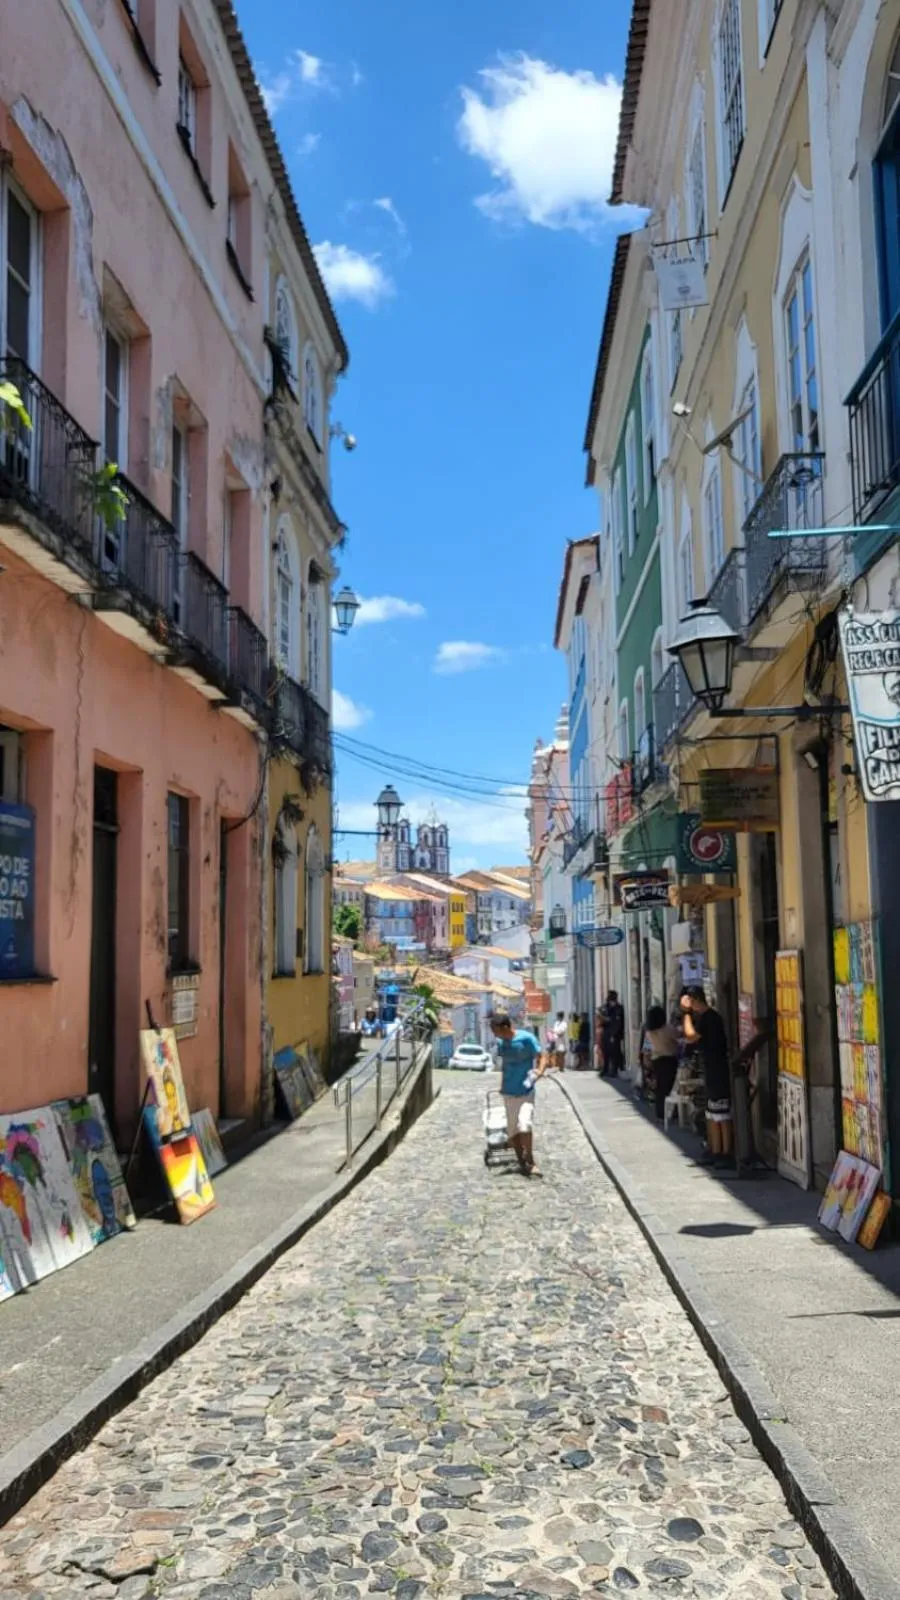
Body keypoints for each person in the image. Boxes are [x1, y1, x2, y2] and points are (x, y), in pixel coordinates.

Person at [681, 986, 733, 1167]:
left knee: (721, 1113)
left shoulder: (710, 1018)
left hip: (718, 1069)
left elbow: (690, 1036)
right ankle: (715, 1149)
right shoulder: (706, 1018)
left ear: (695, 1000)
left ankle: (725, 1152)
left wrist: (686, 1014)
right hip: (711, 1069)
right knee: (712, 1113)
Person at [490, 1012, 544, 1177]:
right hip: (509, 1093)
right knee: (513, 1131)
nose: (494, 1033)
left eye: (495, 1029)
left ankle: (531, 1160)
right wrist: (501, 1085)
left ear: (506, 1027)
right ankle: (521, 1161)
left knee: (525, 1124)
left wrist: (539, 1071)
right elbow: (504, 1066)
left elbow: (542, 1056)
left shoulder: (526, 1039)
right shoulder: (500, 1043)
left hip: (526, 1091)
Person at [644, 1005, 679, 1122]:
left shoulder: (649, 1032)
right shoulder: (667, 1029)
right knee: (670, 1087)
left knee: (660, 1087)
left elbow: (647, 1048)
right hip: (669, 1060)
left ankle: (659, 1111)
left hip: (656, 1060)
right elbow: (679, 1036)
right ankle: (670, 1112)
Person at [599, 991, 625, 1077]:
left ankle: (615, 1070)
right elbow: (602, 1019)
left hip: (614, 1033)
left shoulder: (619, 1008)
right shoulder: (605, 1007)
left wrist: (614, 1034)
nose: (608, 999)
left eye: (610, 998)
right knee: (605, 1051)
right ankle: (605, 1069)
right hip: (606, 1032)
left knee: (615, 1052)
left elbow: (617, 1022)